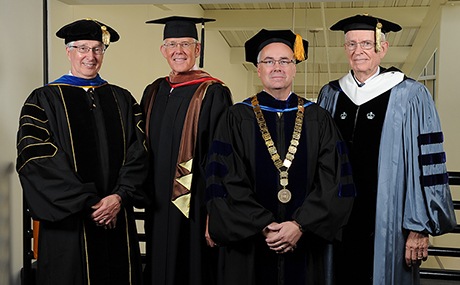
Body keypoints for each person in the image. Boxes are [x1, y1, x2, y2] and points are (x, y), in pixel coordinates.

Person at [204, 29, 355, 285]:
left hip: (305, 242)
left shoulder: (318, 118)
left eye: (285, 61)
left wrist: (299, 225)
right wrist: (264, 225)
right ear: (258, 69)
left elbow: (335, 180)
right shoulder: (236, 117)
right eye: (269, 61)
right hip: (251, 243)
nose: (277, 67)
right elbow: (225, 179)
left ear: (294, 68)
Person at [317, 14, 457, 284]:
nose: (359, 51)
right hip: (336, 223)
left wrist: (419, 227)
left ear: (383, 47)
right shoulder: (331, 94)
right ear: (345, 49)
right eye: (352, 44)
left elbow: (429, 164)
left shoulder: (410, 94)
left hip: (389, 225)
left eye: (367, 44)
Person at [16, 18, 149, 285]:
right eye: (83, 48)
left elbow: (141, 152)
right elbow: (36, 157)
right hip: (70, 222)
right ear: (69, 51)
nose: (90, 56)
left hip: (116, 216)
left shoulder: (122, 98)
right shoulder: (43, 99)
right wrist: (90, 202)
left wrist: (119, 197)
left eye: (97, 49)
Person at [141, 16, 233, 285]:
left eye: (185, 43)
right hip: (157, 204)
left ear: (197, 49)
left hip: (195, 206)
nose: (178, 50)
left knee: (193, 268)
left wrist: (214, 212)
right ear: (163, 50)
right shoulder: (154, 91)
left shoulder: (213, 92)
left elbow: (221, 157)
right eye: (171, 44)